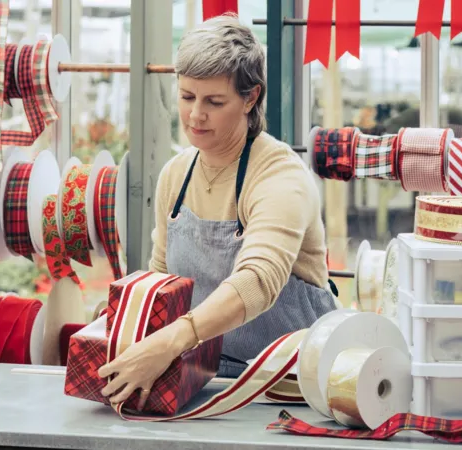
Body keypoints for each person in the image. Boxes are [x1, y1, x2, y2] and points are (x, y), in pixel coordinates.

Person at [98, 14, 338, 409]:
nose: (195, 116)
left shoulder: (279, 176)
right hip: (203, 381)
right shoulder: (176, 176)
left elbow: (257, 281)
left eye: (214, 102)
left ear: (251, 97)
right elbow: (161, 280)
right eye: (187, 97)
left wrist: (173, 339)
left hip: (293, 386)